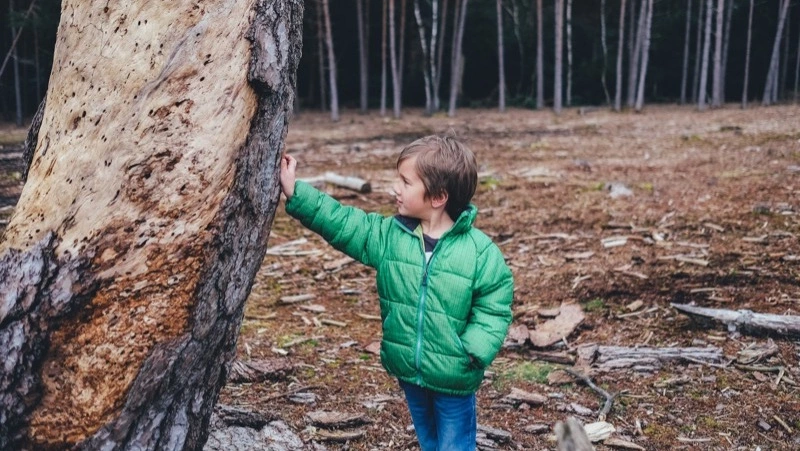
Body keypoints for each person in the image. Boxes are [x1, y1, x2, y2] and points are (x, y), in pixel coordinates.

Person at [280, 135, 514, 451]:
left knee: (455, 445)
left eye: (405, 182)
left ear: (438, 197)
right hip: (408, 368)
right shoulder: (392, 236)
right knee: (429, 441)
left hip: (454, 376)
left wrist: (472, 351)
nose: (395, 188)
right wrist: (297, 192)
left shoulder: (479, 252)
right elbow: (344, 223)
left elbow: (495, 304)